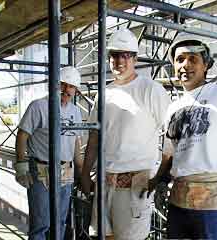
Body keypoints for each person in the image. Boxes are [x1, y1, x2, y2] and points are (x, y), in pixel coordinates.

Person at [146, 34, 217, 239]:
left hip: (215, 206)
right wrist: (159, 181)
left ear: (206, 65)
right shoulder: (173, 107)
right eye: (179, 59)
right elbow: (170, 155)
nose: (185, 65)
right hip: (179, 203)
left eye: (193, 59)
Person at [81, 29, 171, 240]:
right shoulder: (104, 93)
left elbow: (172, 135)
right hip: (104, 183)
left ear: (135, 58)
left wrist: (161, 177)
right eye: (114, 55)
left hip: (135, 185)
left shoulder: (151, 90)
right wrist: (85, 173)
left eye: (126, 55)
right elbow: (94, 138)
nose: (119, 60)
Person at [14, 66, 83, 240]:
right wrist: (21, 165)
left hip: (66, 170)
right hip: (41, 168)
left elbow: (75, 144)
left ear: (76, 90)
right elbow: (22, 135)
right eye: (63, 85)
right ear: (55, 84)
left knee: (60, 222)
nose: (67, 90)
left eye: (71, 87)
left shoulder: (75, 112)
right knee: (41, 224)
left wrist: (82, 174)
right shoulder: (39, 106)